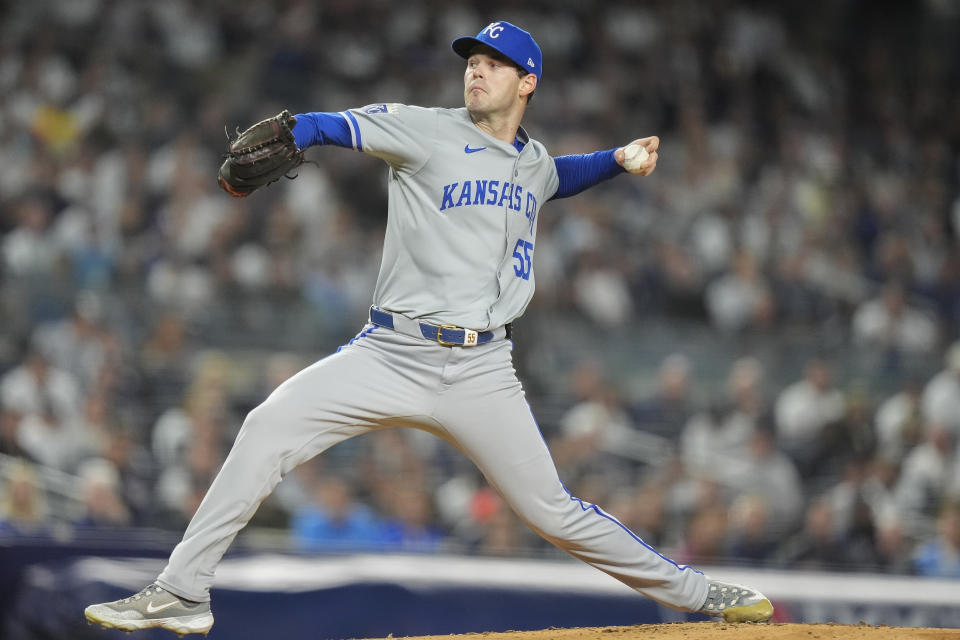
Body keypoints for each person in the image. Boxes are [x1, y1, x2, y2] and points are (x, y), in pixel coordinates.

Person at [84, 21, 773, 635]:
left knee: (553, 511)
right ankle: (181, 592)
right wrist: (295, 131)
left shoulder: (530, 162)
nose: (476, 69)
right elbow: (332, 125)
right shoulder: (424, 127)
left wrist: (618, 162)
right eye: (471, 60)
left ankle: (698, 594)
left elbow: (557, 176)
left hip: (481, 370)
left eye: (494, 63)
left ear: (526, 82)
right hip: (389, 352)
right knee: (266, 428)